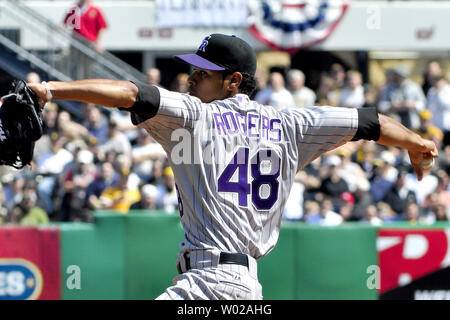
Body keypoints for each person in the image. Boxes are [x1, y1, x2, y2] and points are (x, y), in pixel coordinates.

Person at [28, 33, 438, 300]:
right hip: (239, 285)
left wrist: (50, 90)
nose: (191, 78)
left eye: (202, 73)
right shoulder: (290, 123)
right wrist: (416, 142)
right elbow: (369, 121)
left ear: (233, 81)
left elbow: (130, 94)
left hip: (210, 283)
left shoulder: (195, 115)